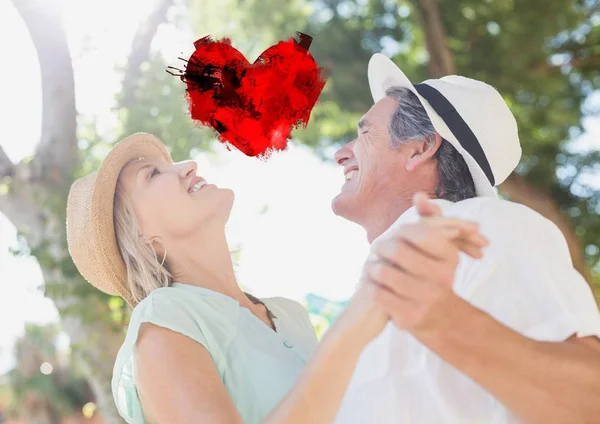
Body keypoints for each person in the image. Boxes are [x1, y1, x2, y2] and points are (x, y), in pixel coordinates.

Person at [65, 133, 486, 424]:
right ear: (141, 237)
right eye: (153, 175)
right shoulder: (165, 317)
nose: (187, 165)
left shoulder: (290, 315)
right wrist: (363, 314)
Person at [330, 53, 600, 423]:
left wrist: (444, 321)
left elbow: (590, 400)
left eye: (364, 134)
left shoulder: (486, 225)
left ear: (420, 148)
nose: (340, 154)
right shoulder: (381, 280)